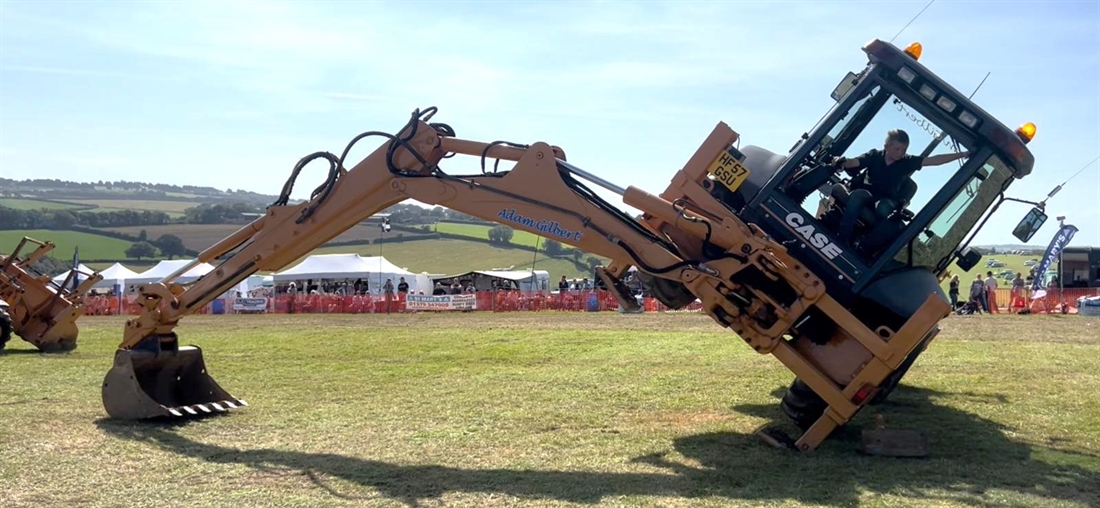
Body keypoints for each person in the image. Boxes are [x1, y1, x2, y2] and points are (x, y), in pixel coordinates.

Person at [830, 129, 971, 244]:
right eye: (897, 149)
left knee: (884, 208)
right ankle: (843, 239)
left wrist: (962, 154)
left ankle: (866, 245)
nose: (901, 153)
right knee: (858, 194)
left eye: (904, 150)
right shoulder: (874, 155)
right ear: (886, 147)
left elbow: (933, 161)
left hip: (885, 200)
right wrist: (841, 161)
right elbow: (854, 162)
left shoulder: (906, 162)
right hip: (867, 194)